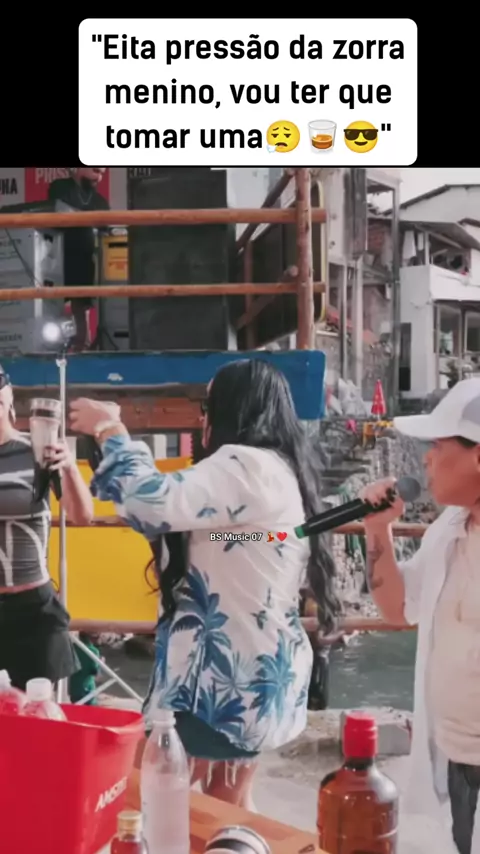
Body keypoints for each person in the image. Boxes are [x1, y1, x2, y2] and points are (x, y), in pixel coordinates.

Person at [69, 359, 340, 808]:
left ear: (234, 408)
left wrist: (110, 430)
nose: (202, 418)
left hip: (219, 684)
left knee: (139, 794)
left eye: (207, 405)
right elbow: (242, 539)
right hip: (256, 674)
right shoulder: (279, 469)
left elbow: (150, 503)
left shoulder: (245, 465)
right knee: (228, 802)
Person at [360, 378, 480, 854]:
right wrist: (377, 529)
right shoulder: (450, 529)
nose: (427, 459)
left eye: (438, 445)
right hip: (456, 757)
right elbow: (396, 608)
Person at [0, 367, 94, 690]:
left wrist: (70, 468)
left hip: (33, 608)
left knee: (35, 713)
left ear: (8, 402)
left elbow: (82, 515)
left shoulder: (37, 450)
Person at [48, 168, 109, 351]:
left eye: (102, 173)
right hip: (56, 256)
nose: (99, 177)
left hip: (85, 258)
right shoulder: (60, 187)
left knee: (80, 306)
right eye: (95, 171)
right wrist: (89, 220)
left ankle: (81, 347)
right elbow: (59, 211)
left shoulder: (100, 200)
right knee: (52, 305)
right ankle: (55, 347)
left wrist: (77, 217)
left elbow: (106, 225)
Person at [69, 632, 101, 705]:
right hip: (87, 687)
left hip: (73, 687)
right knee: (90, 709)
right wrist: (101, 664)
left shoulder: (72, 648)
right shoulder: (94, 651)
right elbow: (94, 671)